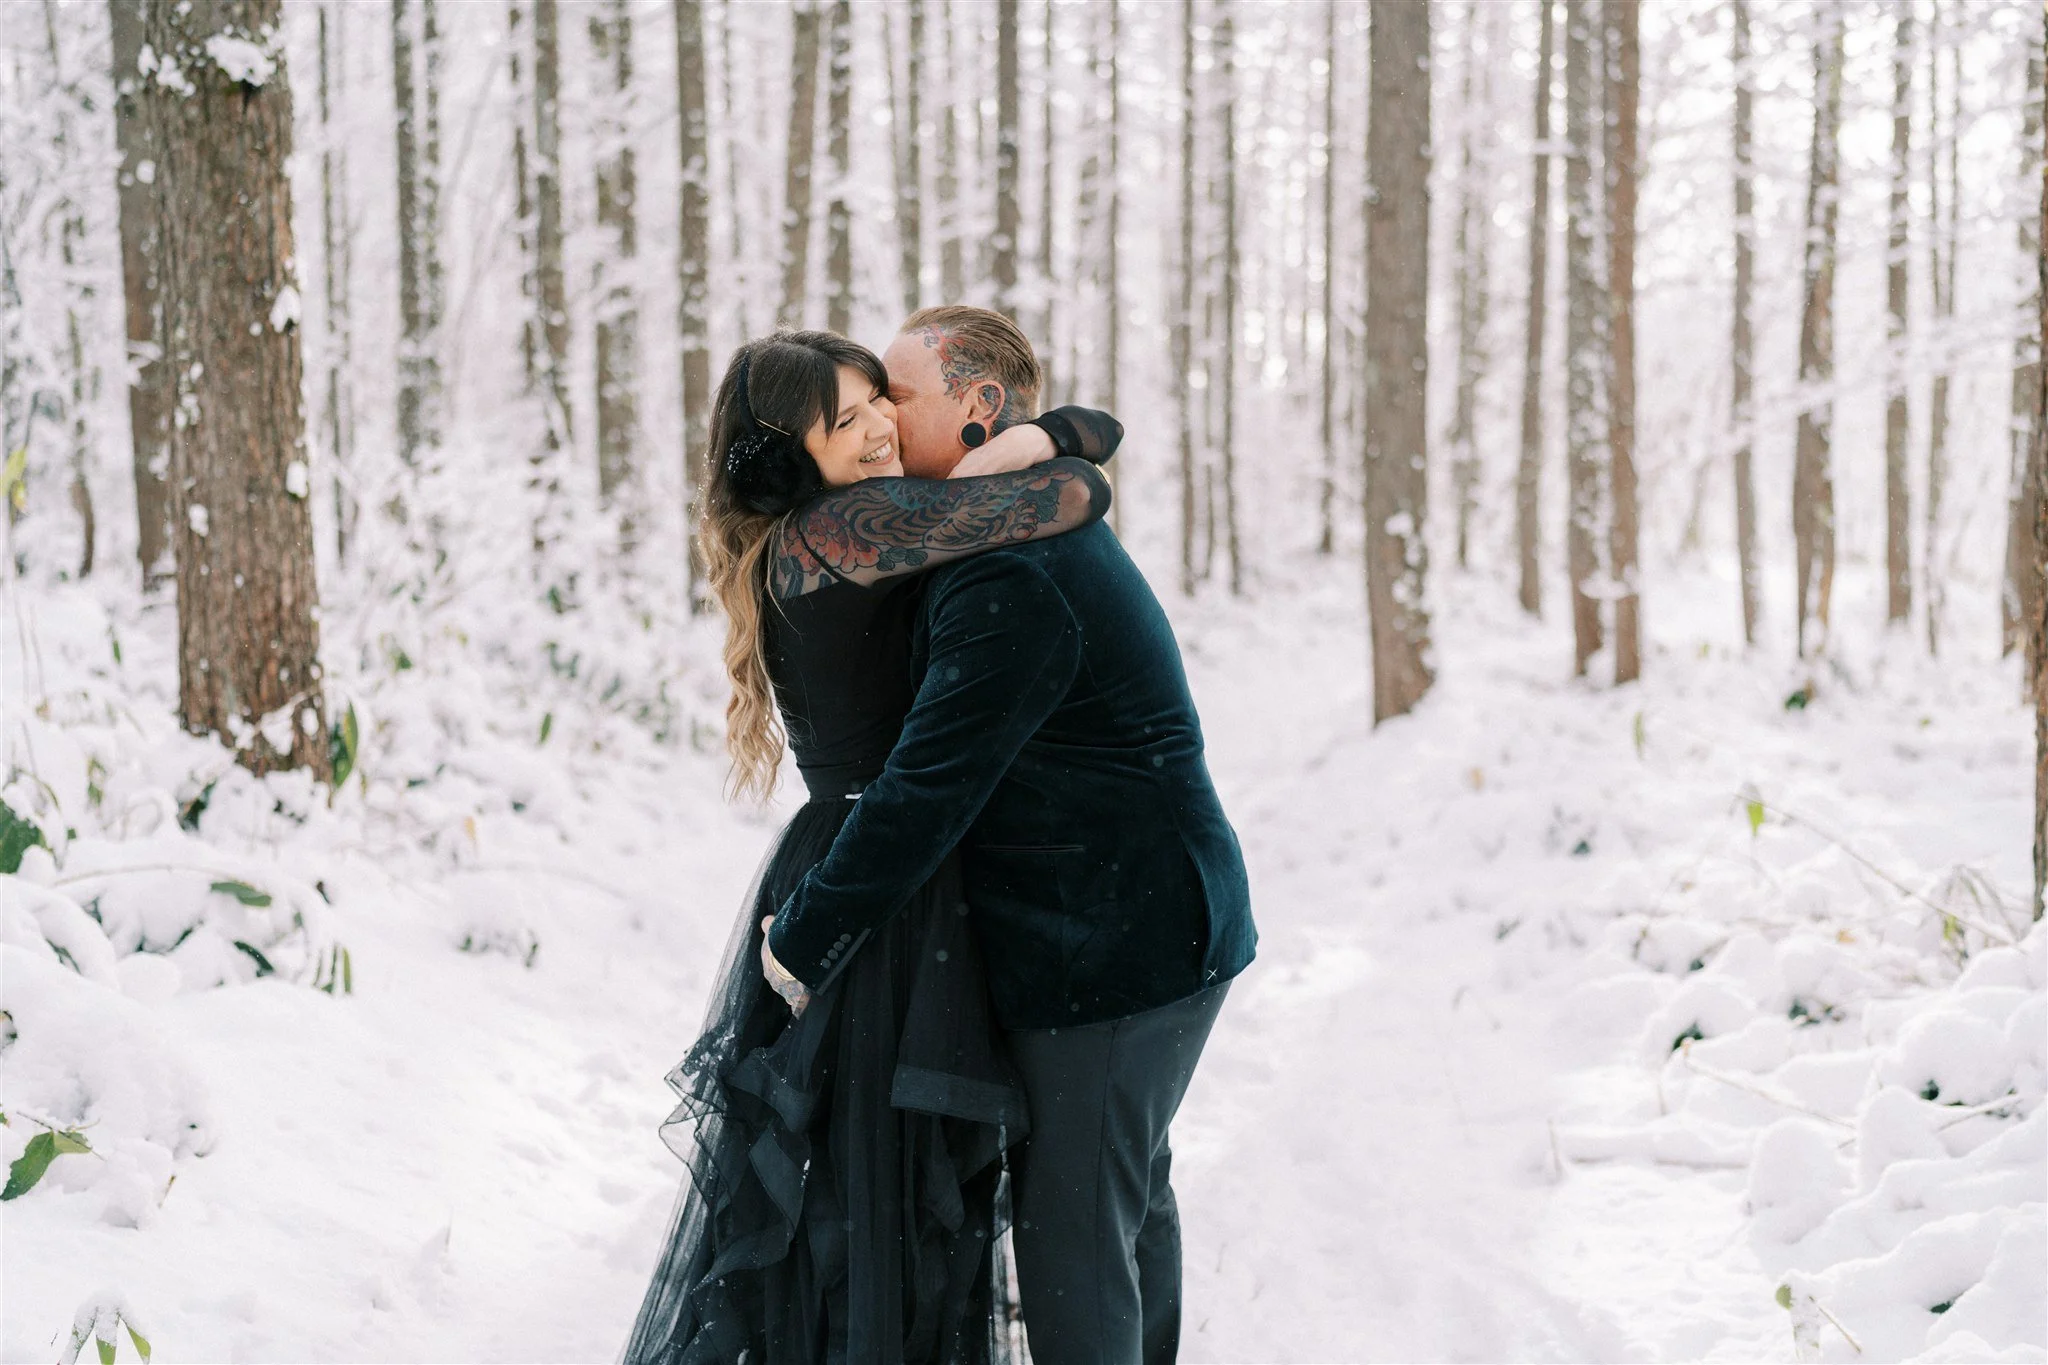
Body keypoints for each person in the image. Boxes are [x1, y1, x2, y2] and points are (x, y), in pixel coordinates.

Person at [765, 307, 1257, 1365]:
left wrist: (804, 938)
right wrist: (1059, 437)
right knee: (1125, 1203)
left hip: (1114, 945)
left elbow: (928, 787)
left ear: (978, 407)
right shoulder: (995, 529)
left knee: (1074, 1241)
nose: (883, 423)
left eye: (895, 396)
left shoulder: (1010, 570)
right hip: (1150, 923)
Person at [621, 328, 1123, 1365]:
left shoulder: (810, 533)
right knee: (881, 1211)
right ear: (786, 459)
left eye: (877, 400)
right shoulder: (848, 525)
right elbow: (1077, 491)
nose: (880, 427)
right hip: (886, 886)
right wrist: (1027, 442)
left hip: (856, 850)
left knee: (857, 1209)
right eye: (844, 420)